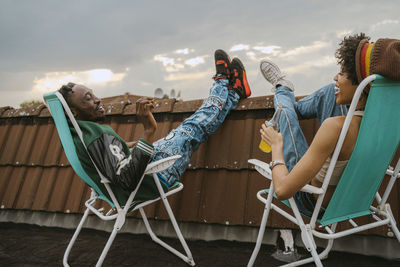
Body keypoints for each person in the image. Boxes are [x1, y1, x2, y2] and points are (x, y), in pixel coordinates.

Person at [58, 49, 251, 201]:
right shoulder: (95, 136)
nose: (98, 100)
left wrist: (126, 146)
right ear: (73, 112)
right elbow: (126, 179)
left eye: (93, 93)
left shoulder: (77, 133)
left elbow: (109, 159)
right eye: (88, 99)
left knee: (191, 129)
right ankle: (222, 81)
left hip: (141, 173)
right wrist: (148, 130)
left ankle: (234, 92)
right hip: (152, 180)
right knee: (193, 127)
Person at [259, 33, 400, 217]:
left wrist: (276, 146)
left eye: (341, 73)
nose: (335, 77)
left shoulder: (335, 127)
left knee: (285, 112)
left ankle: (282, 88)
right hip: (353, 199)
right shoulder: (388, 124)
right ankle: (295, 106)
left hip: (313, 201)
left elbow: (283, 190)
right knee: (330, 91)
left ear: (360, 84)